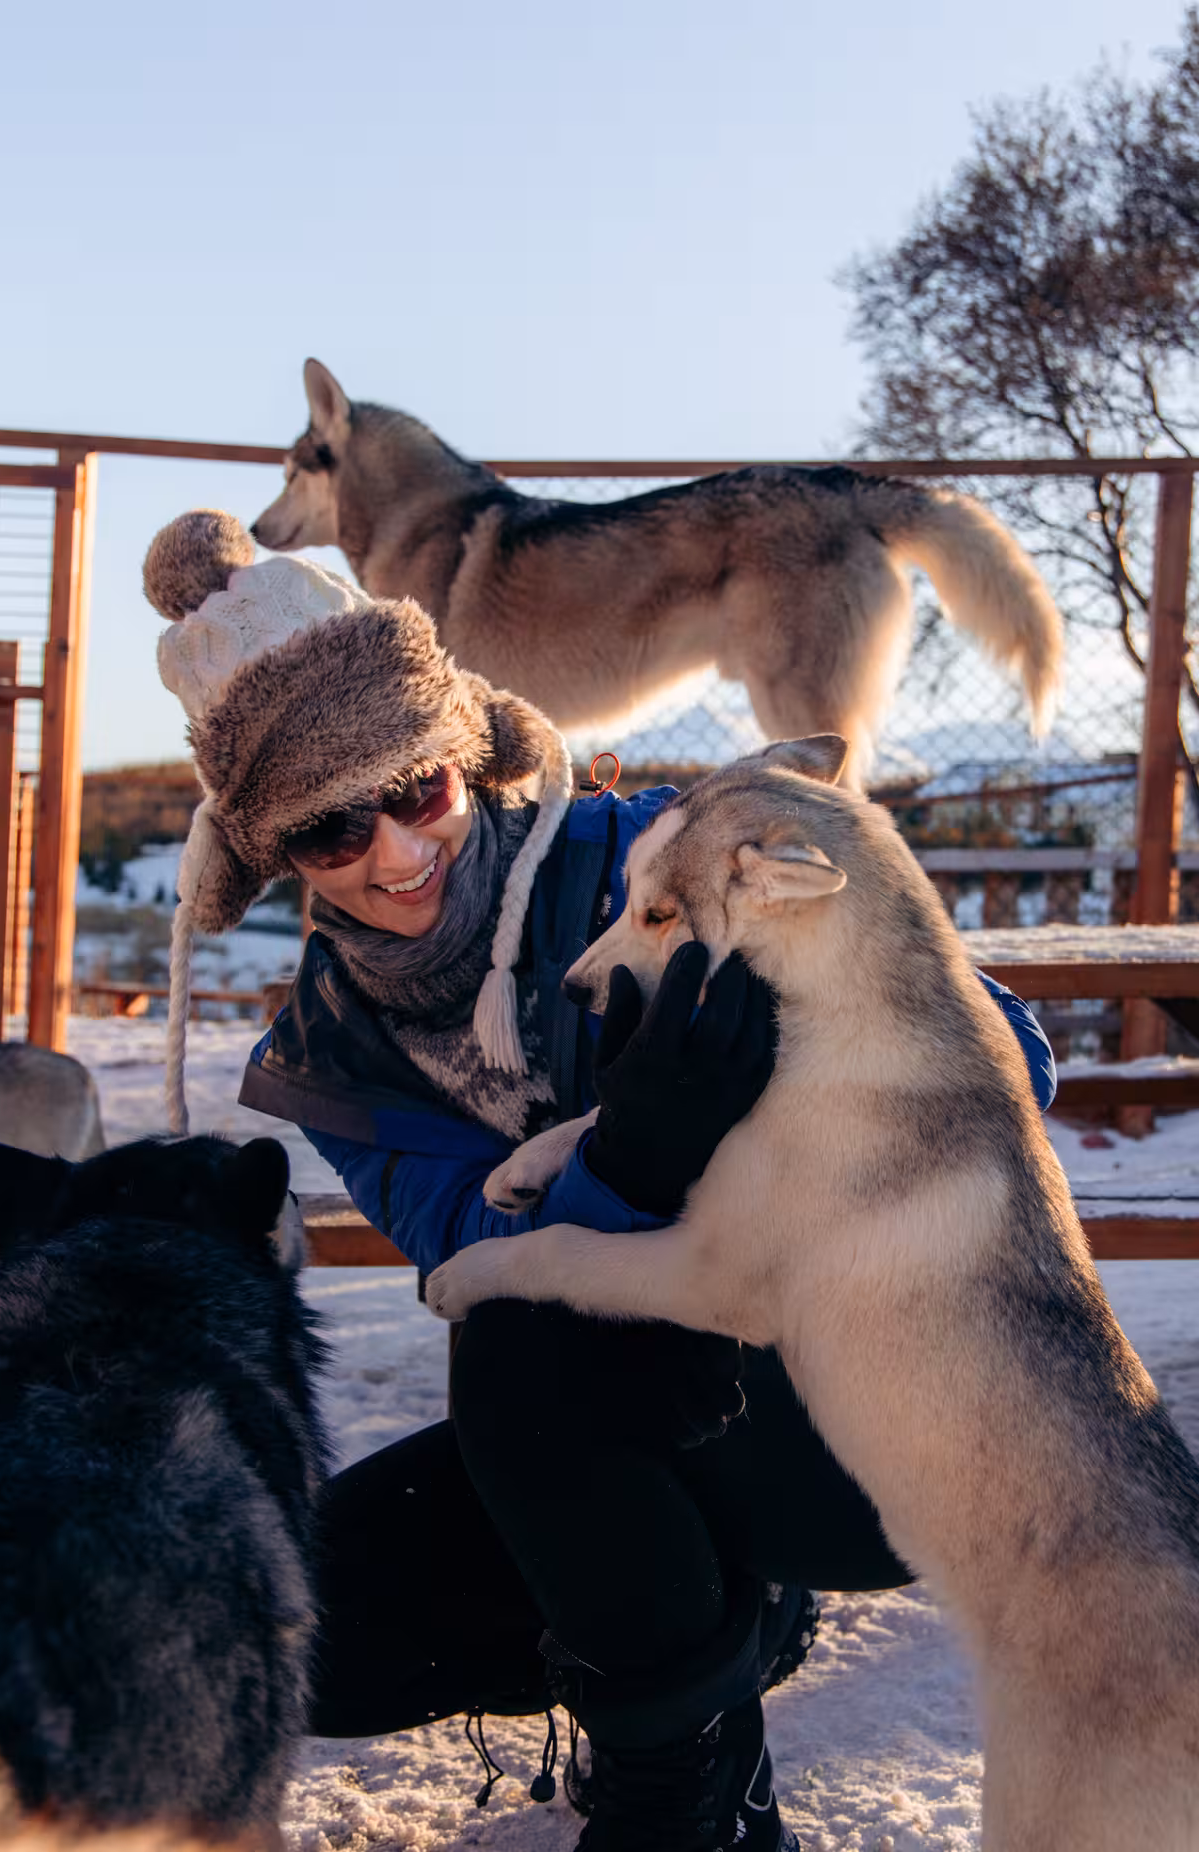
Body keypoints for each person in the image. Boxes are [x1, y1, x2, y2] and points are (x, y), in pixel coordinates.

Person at [145, 510, 1058, 1852]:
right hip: (611, 1422)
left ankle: (676, 1800)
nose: (396, 852)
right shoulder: (330, 1054)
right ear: (275, 855)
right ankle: (692, 1636)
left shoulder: (664, 857)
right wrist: (632, 1152)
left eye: (416, 790)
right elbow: (463, 1243)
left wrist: (780, 1080)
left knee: (519, 1336)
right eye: (332, 828)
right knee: (292, 1623)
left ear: (467, 753)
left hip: (865, 1413)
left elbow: (1014, 1061)